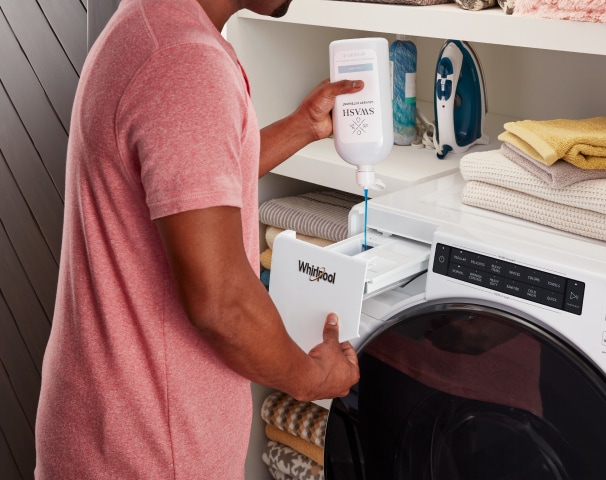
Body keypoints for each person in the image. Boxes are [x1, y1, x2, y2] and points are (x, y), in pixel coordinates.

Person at [34, 0, 361, 478]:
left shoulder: (149, 23)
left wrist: (301, 127)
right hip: (152, 452)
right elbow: (222, 302)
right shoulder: (186, 63)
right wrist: (312, 378)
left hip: (105, 431)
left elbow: (192, 185)